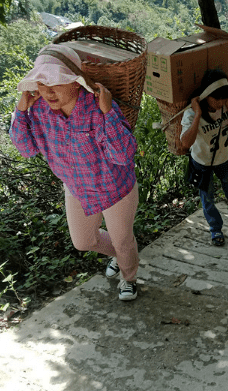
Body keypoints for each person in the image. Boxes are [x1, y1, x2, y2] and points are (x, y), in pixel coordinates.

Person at [10, 44, 140, 301]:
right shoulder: (38, 111)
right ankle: (122, 254)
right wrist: (21, 110)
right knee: (83, 241)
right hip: (76, 186)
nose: (48, 91)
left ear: (76, 83)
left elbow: (123, 155)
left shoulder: (97, 106)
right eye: (42, 84)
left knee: (123, 240)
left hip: (115, 187)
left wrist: (106, 112)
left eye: (57, 83)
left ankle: (129, 277)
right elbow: (26, 149)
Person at [180, 69, 228, 247]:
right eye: (216, 99)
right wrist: (198, 115)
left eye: (224, 98)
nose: (220, 103)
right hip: (202, 163)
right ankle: (216, 229)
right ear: (206, 96)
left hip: (226, 159)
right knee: (208, 200)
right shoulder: (191, 113)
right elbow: (185, 143)